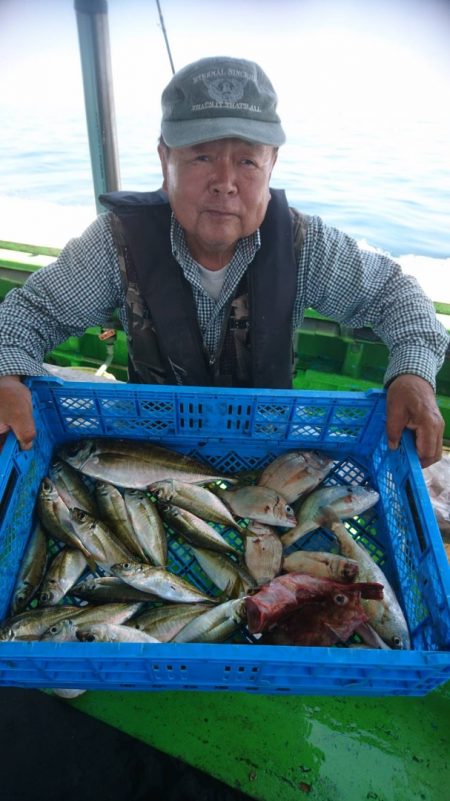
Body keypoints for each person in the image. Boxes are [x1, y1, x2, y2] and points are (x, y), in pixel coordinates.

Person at [0, 56, 447, 467]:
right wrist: (8, 376)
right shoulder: (115, 244)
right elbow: (27, 313)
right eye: (202, 156)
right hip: (151, 454)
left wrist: (413, 376)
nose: (225, 183)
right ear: (164, 160)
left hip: (268, 455)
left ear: (272, 165)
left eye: (248, 160)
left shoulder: (305, 244)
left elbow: (396, 294)